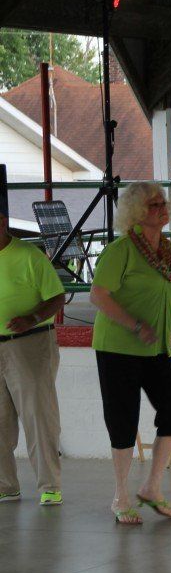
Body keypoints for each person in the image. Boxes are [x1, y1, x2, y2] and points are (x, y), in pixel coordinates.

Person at [90, 182, 171, 524]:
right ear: (136, 212)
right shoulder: (120, 250)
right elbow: (99, 296)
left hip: (157, 348)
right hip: (118, 348)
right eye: (154, 204)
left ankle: (152, 488)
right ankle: (120, 496)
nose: (163, 208)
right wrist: (135, 325)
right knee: (123, 420)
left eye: (164, 202)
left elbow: (170, 293)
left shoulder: (168, 250)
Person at [0, 205, 65, 506]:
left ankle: (49, 485)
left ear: (2, 223)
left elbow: (57, 297)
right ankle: (5, 486)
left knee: (38, 415)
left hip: (29, 342)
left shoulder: (29, 256)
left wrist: (32, 317)